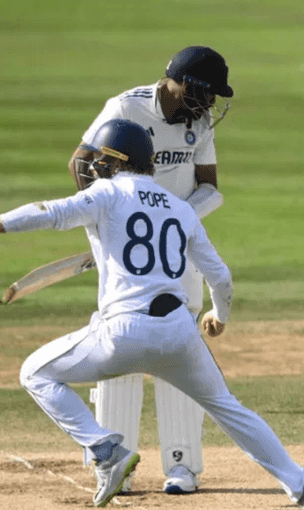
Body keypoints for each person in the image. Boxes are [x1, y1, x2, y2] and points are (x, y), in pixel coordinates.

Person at [0, 118, 304, 509]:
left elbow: (48, 212)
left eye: (102, 160)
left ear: (118, 160)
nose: (95, 168)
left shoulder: (107, 195)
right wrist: (219, 315)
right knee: (229, 409)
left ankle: (106, 451)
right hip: (179, 332)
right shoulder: (181, 209)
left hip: (122, 333)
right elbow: (221, 277)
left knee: (35, 373)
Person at [67, 45, 233, 494]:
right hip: (129, 258)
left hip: (177, 254)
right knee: (118, 351)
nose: (211, 104)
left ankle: (182, 467)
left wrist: (172, 220)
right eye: (208, 92)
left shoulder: (197, 121)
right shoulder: (126, 108)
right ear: (186, 84)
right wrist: (107, 225)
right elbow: (80, 164)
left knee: (180, 354)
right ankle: (116, 465)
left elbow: (210, 189)